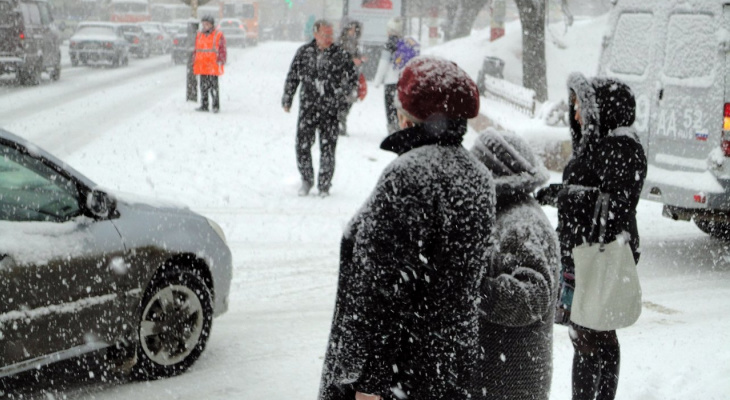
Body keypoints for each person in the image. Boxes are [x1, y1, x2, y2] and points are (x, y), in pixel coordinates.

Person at [317, 56, 494, 400]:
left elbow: (379, 290)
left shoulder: (408, 175)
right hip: (448, 367)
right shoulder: (479, 177)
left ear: (408, 117)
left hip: (399, 374)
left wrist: (369, 383)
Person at [536, 73, 647, 400]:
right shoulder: (601, 144)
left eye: (581, 106)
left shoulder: (621, 147)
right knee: (591, 334)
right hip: (586, 252)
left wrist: (563, 194)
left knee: (589, 335)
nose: (576, 114)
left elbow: (616, 203)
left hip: (600, 255)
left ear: (603, 109)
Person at [470, 129, 559, 400]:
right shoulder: (505, 213)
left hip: (509, 382)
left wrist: (474, 289)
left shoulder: (521, 224)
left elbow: (532, 296)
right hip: (503, 377)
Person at [282, 20, 358, 197]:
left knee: (328, 147)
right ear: (315, 34)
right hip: (308, 107)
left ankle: (324, 185)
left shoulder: (340, 54)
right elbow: (293, 76)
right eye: (325, 35)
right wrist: (287, 98)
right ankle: (306, 180)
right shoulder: (304, 52)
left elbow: (353, 78)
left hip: (330, 109)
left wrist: (342, 94)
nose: (329, 38)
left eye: (331, 35)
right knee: (302, 145)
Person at [372, 17, 419, 134]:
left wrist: (377, 81)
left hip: (390, 81)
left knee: (390, 107)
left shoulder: (389, 45)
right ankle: (403, 127)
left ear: (389, 30)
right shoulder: (407, 43)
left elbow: (383, 64)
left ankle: (393, 130)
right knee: (401, 107)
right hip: (404, 81)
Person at [337, 20, 366, 137]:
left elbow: (355, 56)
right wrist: (351, 60)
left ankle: (341, 121)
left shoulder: (355, 42)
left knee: (349, 100)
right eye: (351, 29)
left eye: (355, 30)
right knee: (343, 100)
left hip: (352, 75)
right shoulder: (341, 42)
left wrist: (360, 59)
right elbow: (339, 57)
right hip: (343, 75)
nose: (353, 32)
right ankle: (340, 123)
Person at [193, 15, 226, 113]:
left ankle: (215, 106)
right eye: (203, 24)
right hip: (202, 65)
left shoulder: (218, 35)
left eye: (207, 24)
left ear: (212, 25)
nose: (205, 26)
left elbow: (222, 48)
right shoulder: (199, 35)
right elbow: (196, 49)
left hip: (212, 65)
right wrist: (194, 59)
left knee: (213, 87)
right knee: (203, 87)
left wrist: (221, 59)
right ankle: (204, 105)